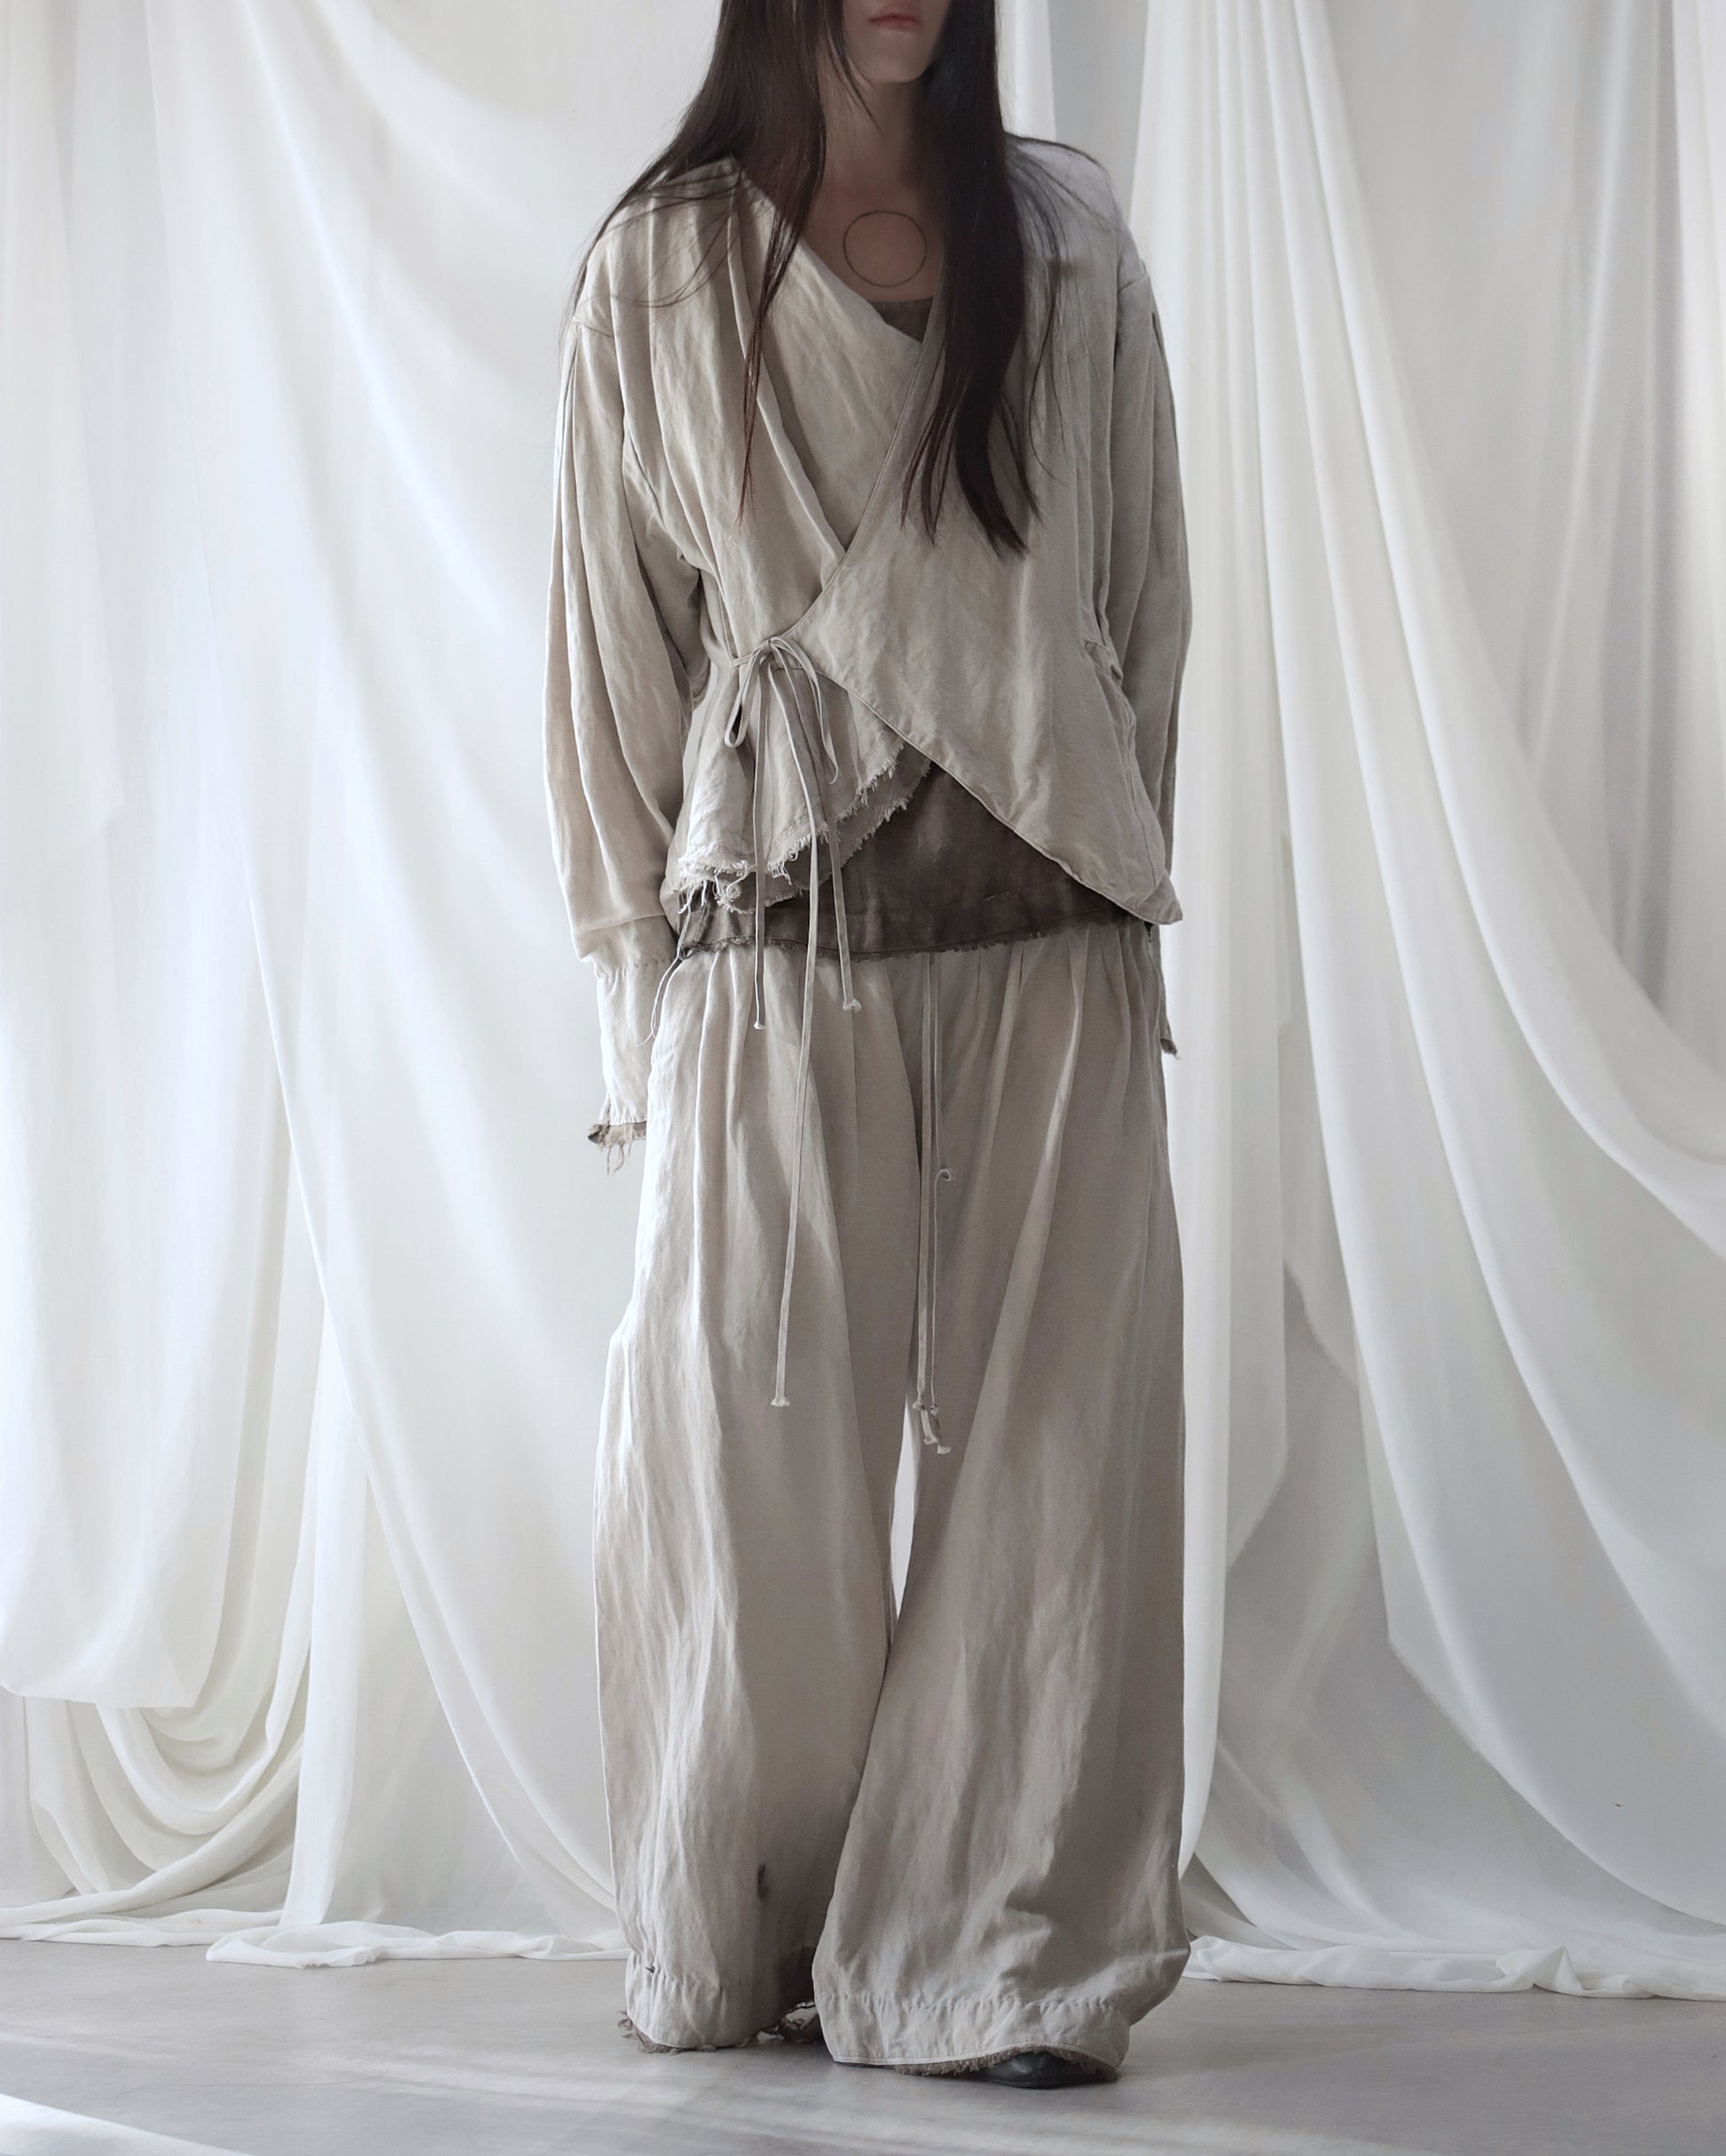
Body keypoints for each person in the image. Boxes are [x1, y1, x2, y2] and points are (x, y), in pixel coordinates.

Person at [543, 0, 1191, 2091]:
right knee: (745, 1474)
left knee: (1056, 1475)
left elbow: (1137, 603)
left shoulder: (1064, 244)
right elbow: (609, 665)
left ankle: (995, 1947)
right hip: (771, 946)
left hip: (1046, 935)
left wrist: (1102, 846)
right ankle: (747, 1911)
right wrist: (644, 997)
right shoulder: (663, 268)